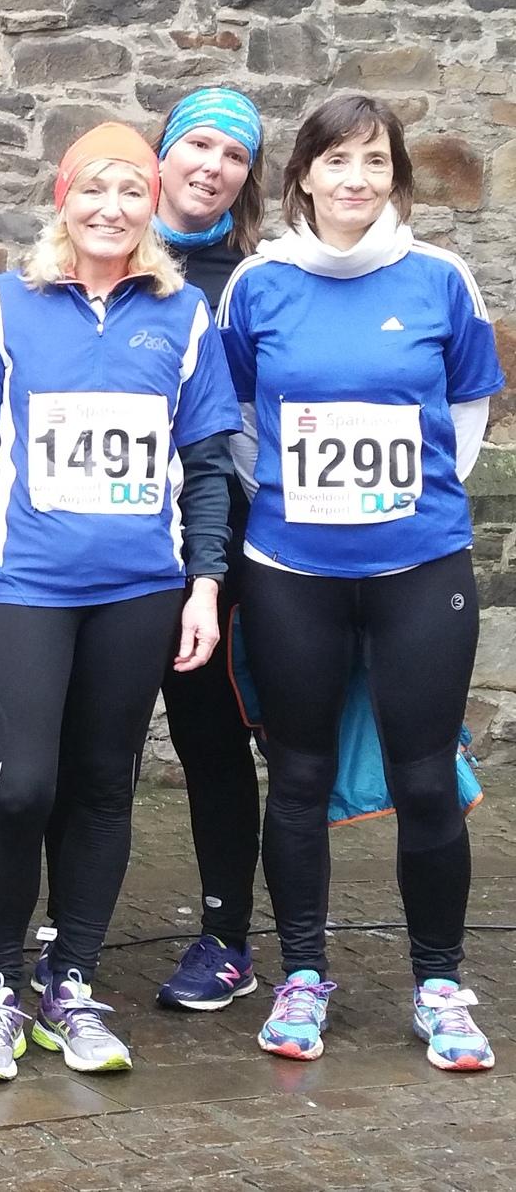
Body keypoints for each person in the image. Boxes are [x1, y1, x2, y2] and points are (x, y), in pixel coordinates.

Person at [0, 122, 239, 1081]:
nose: (110, 209)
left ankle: (70, 981)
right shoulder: (3, 305)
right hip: (25, 580)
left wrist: (204, 584)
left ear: (152, 208)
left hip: (140, 589)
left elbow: (204, 469)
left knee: (105, 787)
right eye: (91, 190)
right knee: (21, 783)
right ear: (60, 199)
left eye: (130, 192)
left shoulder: (182, 313)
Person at [218, 93, 503, 1070]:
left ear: (396, 177)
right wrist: (294, 501)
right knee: (296, 776)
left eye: (374, 162)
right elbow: (239, 410)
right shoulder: (258, 285)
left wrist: (413, 500)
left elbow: (469, 401)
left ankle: (439, 981)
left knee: (426, 777)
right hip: (293, 566)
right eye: (336, 160)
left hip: (419, 564)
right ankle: (302, 972)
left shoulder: (440, 279)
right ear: (302, 175)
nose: (355, 179)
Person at [33, 89, 271, 1012]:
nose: (211, 166)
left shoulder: (251, 280)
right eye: (197, 144)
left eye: (235, 155)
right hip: (93, 559)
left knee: (210, 740)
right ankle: (63, 931)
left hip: (211, 550)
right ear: (158, 156)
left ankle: (224, 935)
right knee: (87, 748)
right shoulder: (79, 256)